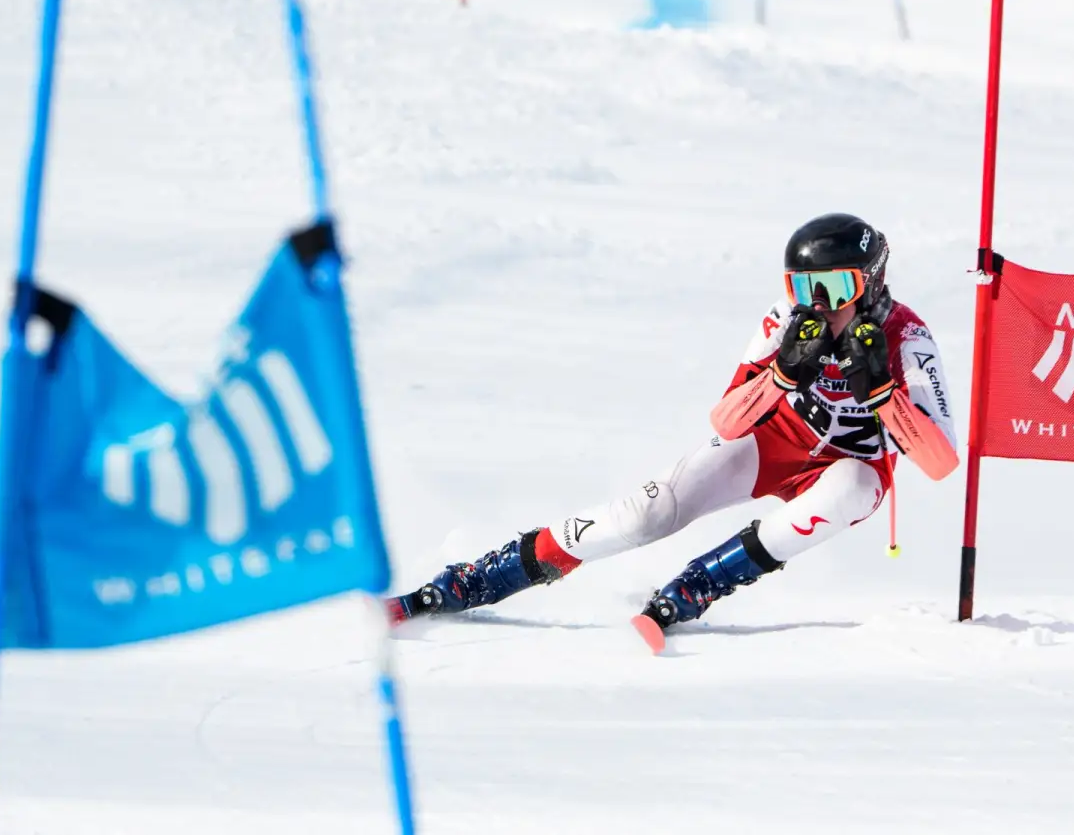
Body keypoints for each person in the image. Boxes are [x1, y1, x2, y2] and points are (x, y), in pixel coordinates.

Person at [387, 213, 957, 646]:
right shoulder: (785, 323)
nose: (819, 306)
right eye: (804, 289)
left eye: (836, 290)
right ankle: (477, 578)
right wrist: (782, 374)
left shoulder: (907, 336)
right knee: (645, 514)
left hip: (849, 465)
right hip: (776, 441)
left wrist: (883, 393)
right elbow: (726, 421)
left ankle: (701, 584)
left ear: (872, 283)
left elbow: (939, 463)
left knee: (851, 489)